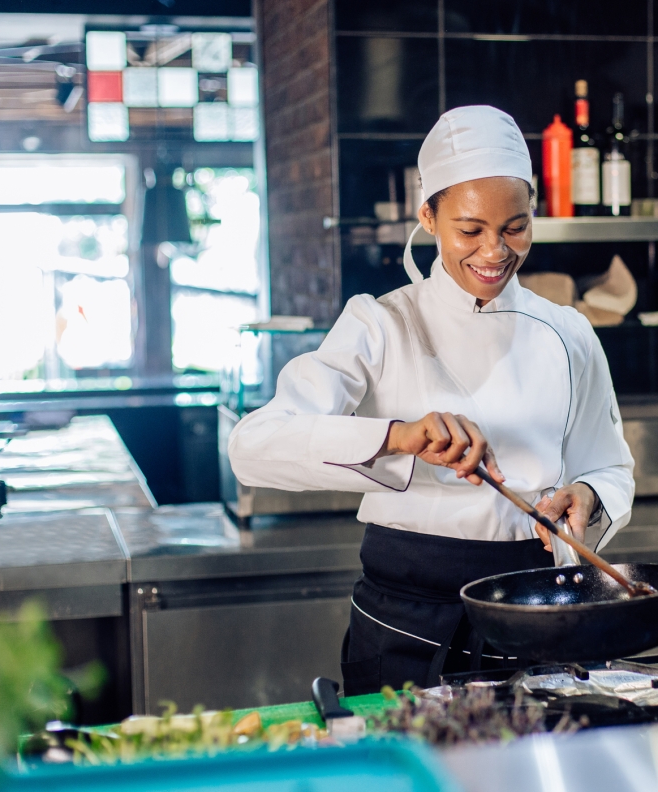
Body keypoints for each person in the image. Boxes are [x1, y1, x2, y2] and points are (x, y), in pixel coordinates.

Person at [228, 105, 635, 695]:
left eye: (515, 227)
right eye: (470, 230)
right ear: (428, 215)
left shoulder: (569, 332)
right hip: (404, 621)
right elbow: (253, 447)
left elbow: (611, 464)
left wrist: (588, 495)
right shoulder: (380, 322)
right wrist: (399, 436)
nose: (494, 251)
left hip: (535, 612)